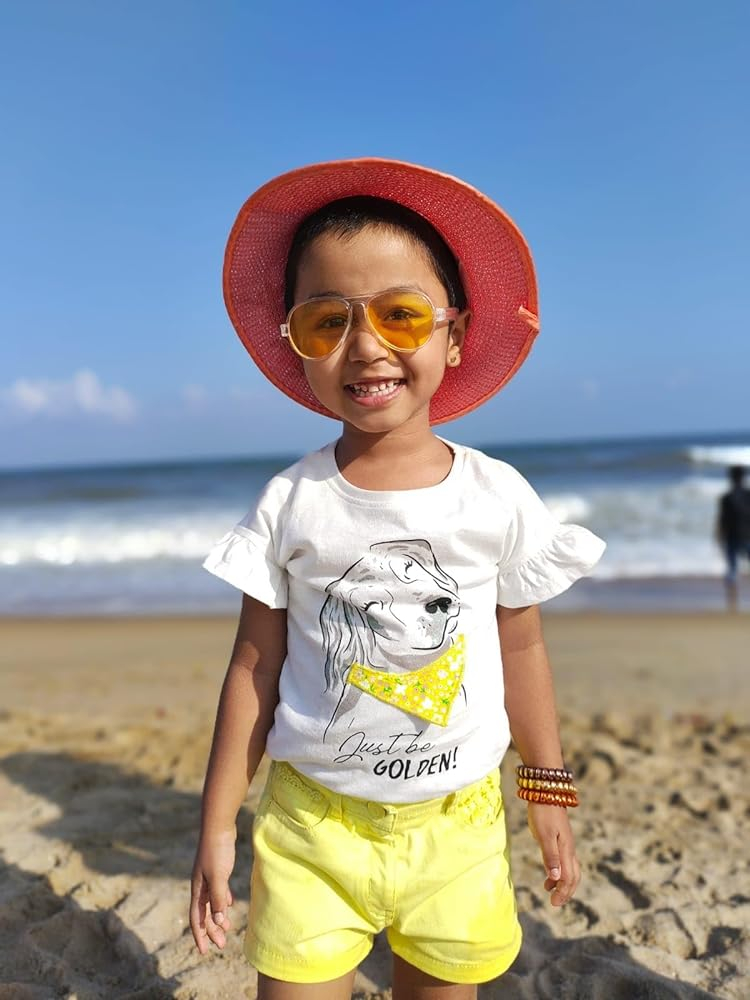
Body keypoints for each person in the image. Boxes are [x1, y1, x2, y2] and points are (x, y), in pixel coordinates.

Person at [189, 158, 606, 1000]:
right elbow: (254, 669)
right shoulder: (291, 502)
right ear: (296, 343)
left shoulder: (495, 495)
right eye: (326, 321)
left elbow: (520, 649)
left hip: (460, 829)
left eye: (401, 314)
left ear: (454, 335)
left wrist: (546, 787)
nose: (367, 345)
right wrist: (218, 824)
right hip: (311, 829)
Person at [717, 464, 750, 610]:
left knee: (732, 569)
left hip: (731, 537)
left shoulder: (726, 498)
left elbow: (722, 520)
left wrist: (719, 536)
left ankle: (732, 598)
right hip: (747, 536)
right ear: (743, 478)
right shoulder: (748, 495)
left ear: (731, 478)